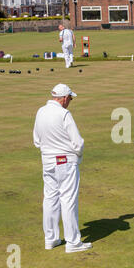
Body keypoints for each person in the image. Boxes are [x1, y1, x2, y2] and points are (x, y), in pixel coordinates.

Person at [33, 83, 91, 253]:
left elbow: (36, 140)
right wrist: (77, 155)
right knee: (68, 199)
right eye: (70, 98)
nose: (70, 101)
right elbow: (78, 142)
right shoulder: (64, 114)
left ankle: (50, 239)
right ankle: (73, 242)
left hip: (47, 161)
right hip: (65, 161)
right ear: (64, 98)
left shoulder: (40, 111)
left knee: (50, 198)